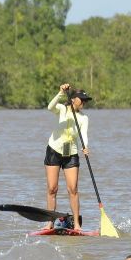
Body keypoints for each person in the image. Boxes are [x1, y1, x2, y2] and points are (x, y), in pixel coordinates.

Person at [43, 83, 91, 231]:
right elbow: (50, 107)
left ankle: (76, 224)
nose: (83, 103)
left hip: (71, 153)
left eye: (85, 100)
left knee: (73, 189)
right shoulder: (62, 109)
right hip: (54, 150)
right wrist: (60, 93)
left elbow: (83, 135)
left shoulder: (83, 118)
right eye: (81, 99)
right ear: (73, 99)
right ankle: (50, 222)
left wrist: (85, 147)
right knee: (52, 189)